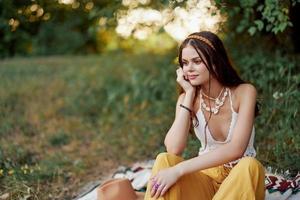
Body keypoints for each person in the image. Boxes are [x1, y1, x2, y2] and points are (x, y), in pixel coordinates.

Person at [143, 31, 266, 200]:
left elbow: (236, 149)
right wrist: (188, 94)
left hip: (241, 179)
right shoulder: (187, 99)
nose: (189, 68)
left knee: (250, 165)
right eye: (185, 63)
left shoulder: (244, 92)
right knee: (164, 159)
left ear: (215, 61)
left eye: (197, 61)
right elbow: (173, 148)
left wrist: (179, 170)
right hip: (205, 180)